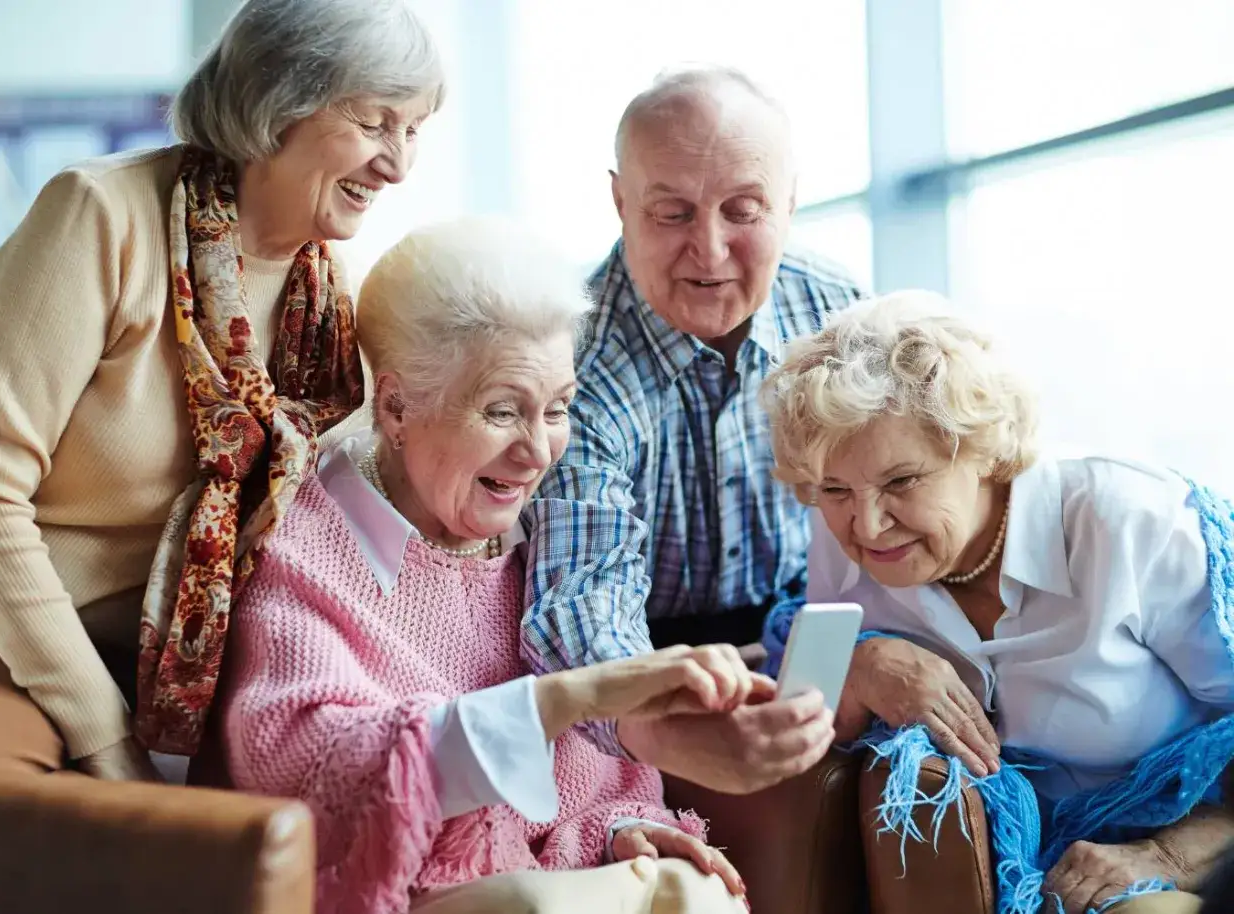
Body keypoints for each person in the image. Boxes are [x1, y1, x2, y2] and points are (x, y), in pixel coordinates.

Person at [0, 0, 444, 780]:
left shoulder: (324, 294)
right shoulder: (99, 216)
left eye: (414, 130)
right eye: (376, 121)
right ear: (278, 99)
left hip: (181, 669)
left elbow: (343, 507)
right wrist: (111, 742)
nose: (398, 164)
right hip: (4, 640)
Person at [222, 218, 752, 914]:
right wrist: (563, 700)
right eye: (503, 412)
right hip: (399, 895)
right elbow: (304, 765)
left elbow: (599, 779)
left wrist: (625, 828)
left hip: (555, 888)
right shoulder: (305, 543)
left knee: (697, 891)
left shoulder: (543, 540)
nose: (538, 452)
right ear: (396, 407)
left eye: (558, 409)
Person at [760, 291, 1234, 914]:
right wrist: (861, 664)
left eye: (902, 481)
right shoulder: (841, 533)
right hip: (1005, 876)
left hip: (1186, 857)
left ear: (984, 450)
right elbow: (802, 718)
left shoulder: (1128, 522)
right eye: (833, 489)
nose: (868, 526)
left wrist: (1165, 857)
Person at [522, 66, 856, 794]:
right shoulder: (564, 362)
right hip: (648, 662)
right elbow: (581, 595)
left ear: (790, 202)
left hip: (814, 631)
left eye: (743, 211)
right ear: (620, 202)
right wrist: (657, 721)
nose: (708, 251)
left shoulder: (844, 314)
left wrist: (883, 645)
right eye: (672, 213)